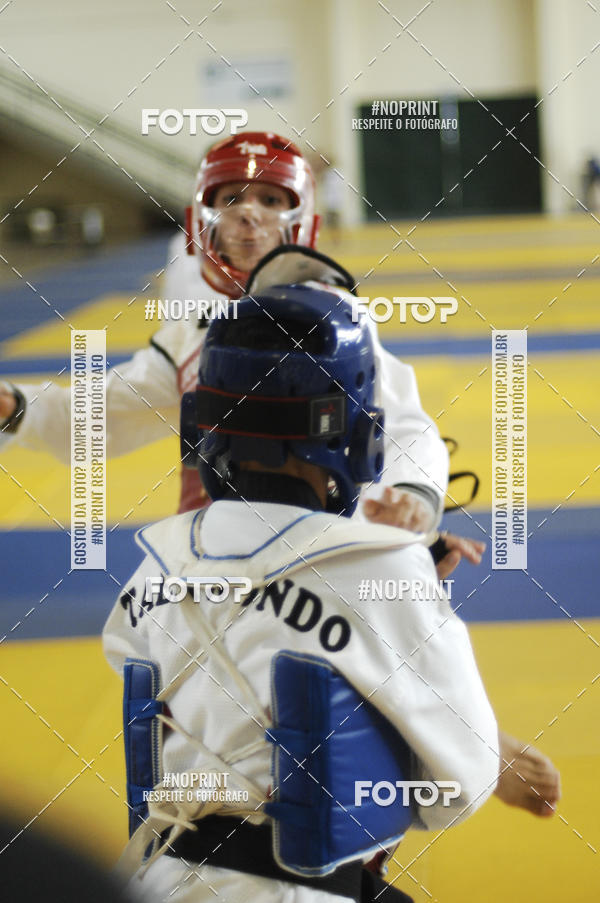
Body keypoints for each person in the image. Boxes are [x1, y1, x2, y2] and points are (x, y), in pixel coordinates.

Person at [103, 281, 500, 902]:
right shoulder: (385, 571)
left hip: (156, 878)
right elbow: (465, 781)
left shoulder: (154, 565)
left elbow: (149, 661)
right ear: (352, 427)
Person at [0, 131, 447, 531]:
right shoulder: (191, 334)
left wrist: (414, 495)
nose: (248, 214)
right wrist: (20, 407)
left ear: (303, 220)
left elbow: (402, 421)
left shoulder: (338, 319)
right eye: (231, 198)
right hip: (212, 547)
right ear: (201, 217)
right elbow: (111, 410)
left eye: (271, 200)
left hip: (324, 546)